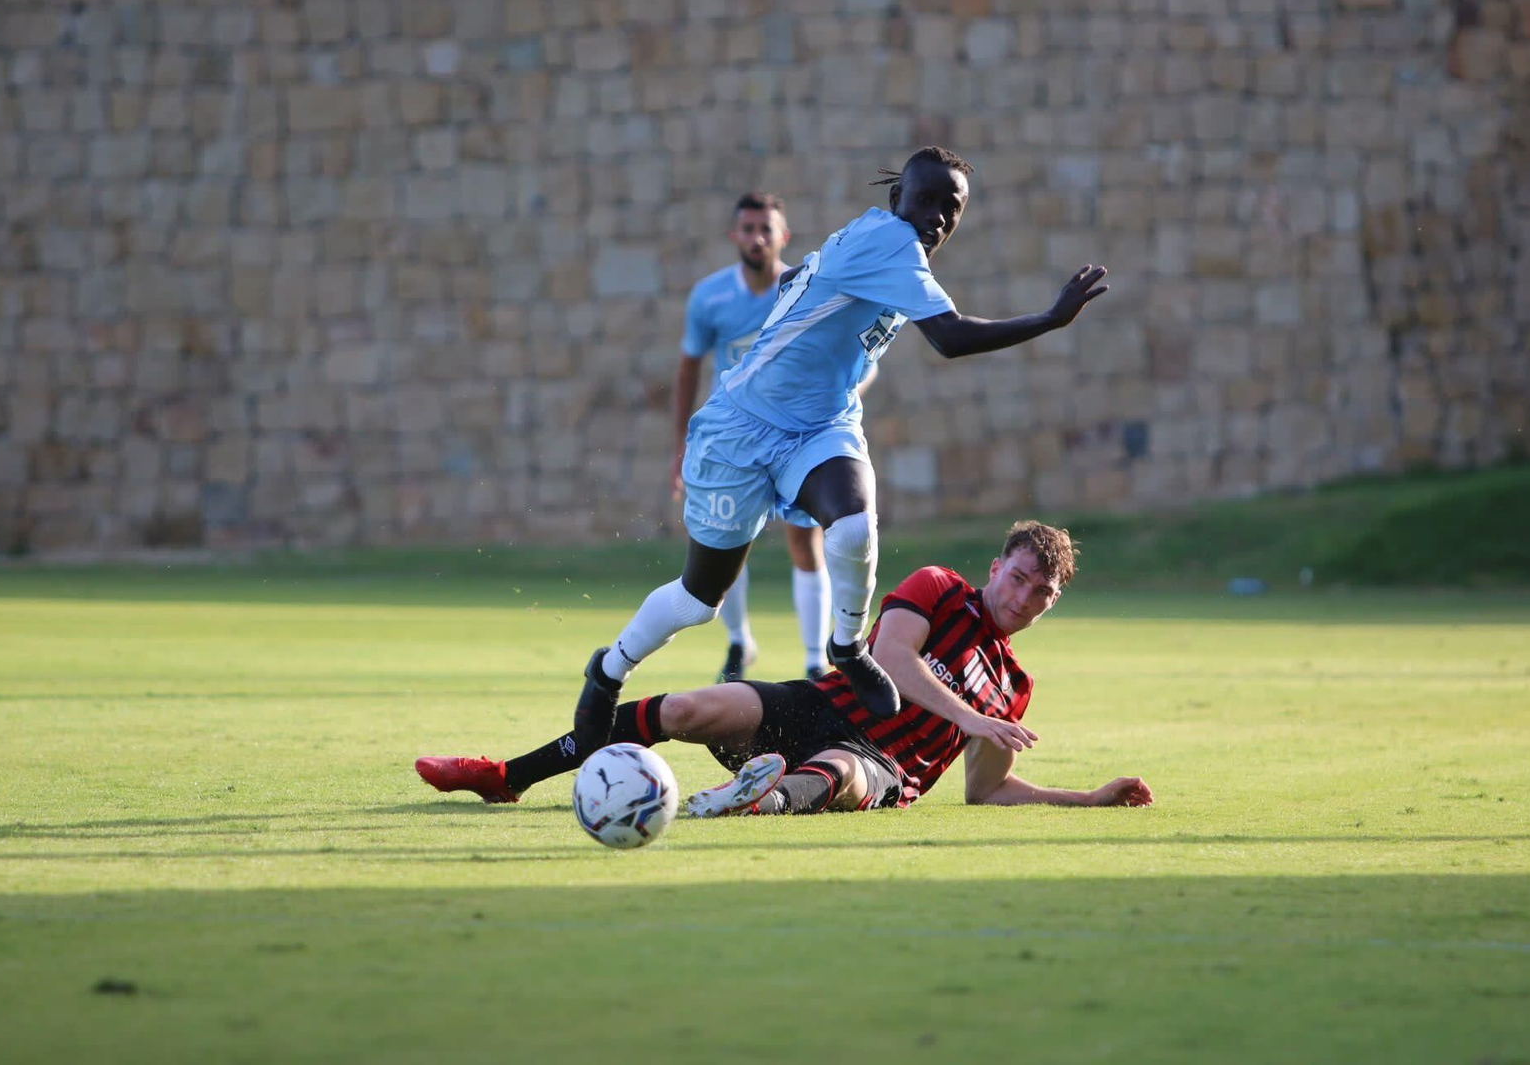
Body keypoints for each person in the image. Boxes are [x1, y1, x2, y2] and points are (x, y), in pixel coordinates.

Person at [573, 145, 1110, 759]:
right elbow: (950, 338)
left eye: (951, 206)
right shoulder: (892, 243)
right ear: (897, 199)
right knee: (699, 601)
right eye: (925, 199)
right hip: (742, 428)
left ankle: (848, 646)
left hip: (822, 424)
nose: (936, 216)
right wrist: (1049, 319)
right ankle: (608, 670)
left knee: (854, 525)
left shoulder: (877, 238)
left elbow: (804, 281)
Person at [416, 521, 1153, 816]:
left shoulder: (1013, 687)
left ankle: (746, 801)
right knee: (685, 709)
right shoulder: (940, 587)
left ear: (1051, 603)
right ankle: (507, 776)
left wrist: (1088, 798)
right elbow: (890, 658)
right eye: (1018, 578)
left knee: (840, 769)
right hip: (817, 704)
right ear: (996, 568)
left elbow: (984, 790)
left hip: (883, 765)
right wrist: (968, 717)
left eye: (1041, 593)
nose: (1023, 598)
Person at [672, 192, 835, 683]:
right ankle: (739, 642)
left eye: (767, 229)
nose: (757, 238)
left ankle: (816, 660)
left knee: (805, 541)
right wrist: (680, 445)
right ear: (733, 236)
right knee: (727, 539)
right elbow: (688, 368)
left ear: (784, 236)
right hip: (733, 439)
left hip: (791, 436)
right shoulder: (710, 297)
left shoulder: (804, 290)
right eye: (748, 228)